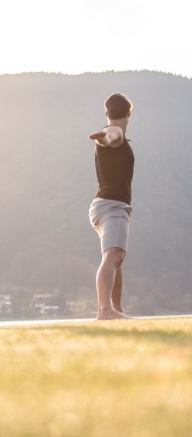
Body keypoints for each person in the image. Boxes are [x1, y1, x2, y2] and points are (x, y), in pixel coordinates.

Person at [88, 93, 134, 319]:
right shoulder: (112, 135)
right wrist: (104, 135)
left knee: (116, 258)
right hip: (111, 205)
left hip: (108, 205)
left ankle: (116, 309)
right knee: (113, 256)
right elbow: (112, 134)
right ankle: (105, 310)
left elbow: (110, 135)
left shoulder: (113, 137)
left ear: (107, 112)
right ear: (129, 114)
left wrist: (104, 135)